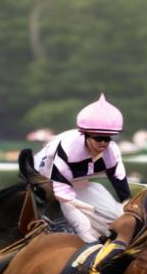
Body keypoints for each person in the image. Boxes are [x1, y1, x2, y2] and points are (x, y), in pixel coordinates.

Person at [34, 93, 131, 244]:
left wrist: (127, 206)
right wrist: (90, 213)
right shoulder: (68, 149)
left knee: (118, 217)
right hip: (47, 181)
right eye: (99, 138)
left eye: (108, 138)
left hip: (79, 183)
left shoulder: (112, 151)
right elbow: (64, 196)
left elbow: (120, 183)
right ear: (85, 135)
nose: (104, 143)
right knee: (88, 232)